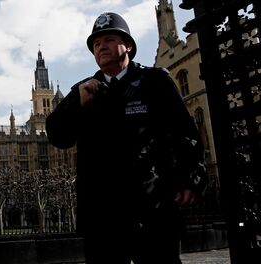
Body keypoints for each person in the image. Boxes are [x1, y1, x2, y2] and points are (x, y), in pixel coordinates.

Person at [45, 12, 207, 264]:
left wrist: (192, 179)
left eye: (109, 40)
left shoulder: (155, 82)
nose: (101, 47)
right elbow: (57, 136)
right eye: (96, 44)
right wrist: (76, 103)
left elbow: (185, 132)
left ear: (128, 45)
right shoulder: (84, 90)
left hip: (153, 207)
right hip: (103, 215)